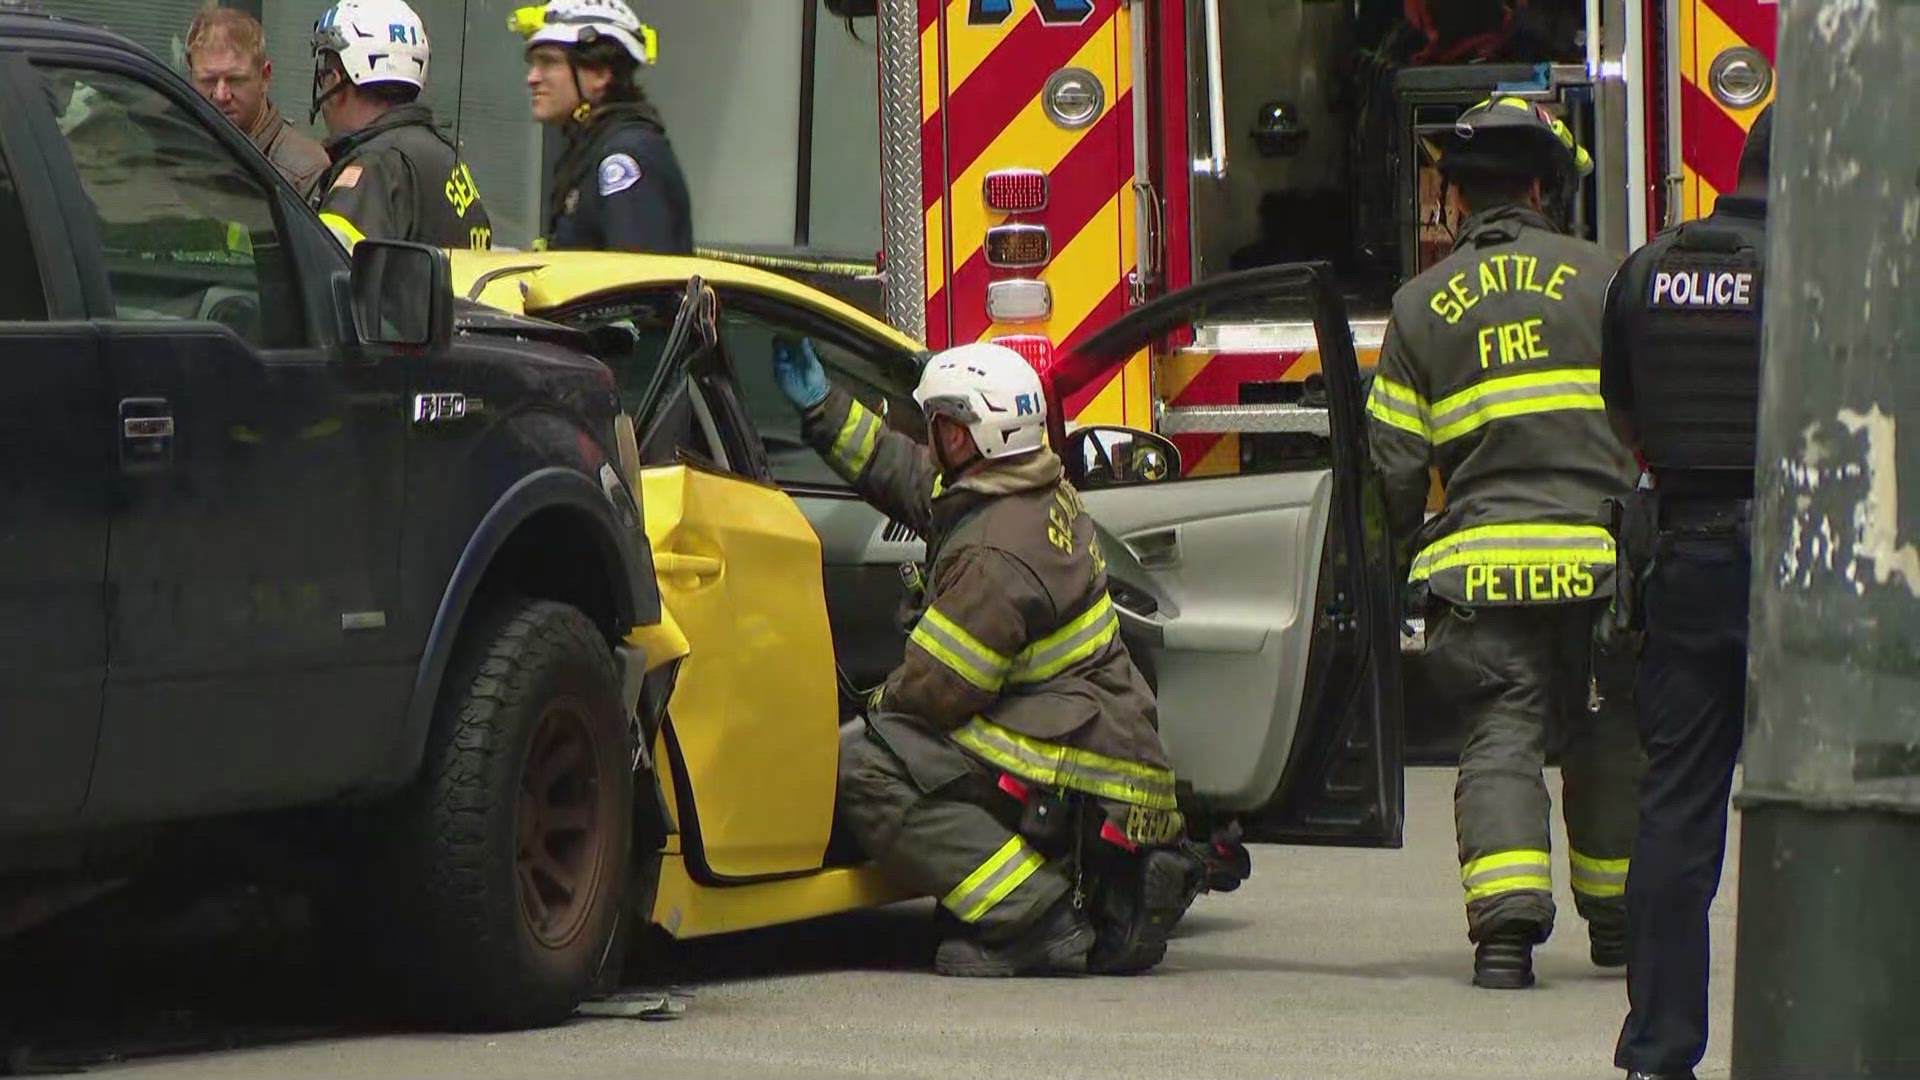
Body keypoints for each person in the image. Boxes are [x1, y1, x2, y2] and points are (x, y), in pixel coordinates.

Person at [771, 337, 1198, 977]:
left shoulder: (994, 555)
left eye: (939, 424)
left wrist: (862, 712)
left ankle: (1035, 915)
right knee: (893, 740)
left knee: (865, 765)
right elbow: (913, 476)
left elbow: (937, 691)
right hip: (1093, 739)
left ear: (972, 436)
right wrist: (823, 407)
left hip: (1075, 760)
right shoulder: (1027, 485)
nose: (930, 436)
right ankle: (1067, 887)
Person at [1365, 95, 1644, 990]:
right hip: (1599, 568)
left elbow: (1395, 469)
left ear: (1459, 196)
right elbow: (1649, 429)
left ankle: (1506, 939)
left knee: (1499, 738)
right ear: (1542, 186)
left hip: (1479, 572)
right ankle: (1620, 926)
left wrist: (1390, 564)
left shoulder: (1416, 308)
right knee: (1607, 736)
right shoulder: (1607, 278)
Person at [1604, 105, 1772, 1080]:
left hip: (1682, 562)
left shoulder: (1648, 271)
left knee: (1676, 811)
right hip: (1805, 569)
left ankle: (1659, 1053)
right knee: (1851, 796)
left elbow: (1623, 410)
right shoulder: (1823, 269)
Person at [308, 0, 491, 250]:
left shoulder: (376, 166)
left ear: (335, 81)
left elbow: (326, 270)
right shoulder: (444, 155)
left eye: (324, 75)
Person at [512, 0, 692, 254]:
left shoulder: (627, 154)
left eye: (548, 62)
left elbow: (635, 282)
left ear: (599, 72)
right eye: (533, 63)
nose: (532, 78)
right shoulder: (589, 147)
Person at [186, 5, 330, 196]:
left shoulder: (305, 172)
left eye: (235, 80)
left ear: (264, 77)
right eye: (208, 80)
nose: (221, 95)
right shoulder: (178, 151)